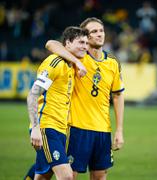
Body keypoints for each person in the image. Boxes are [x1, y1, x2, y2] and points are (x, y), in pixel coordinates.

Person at [46, 17, 125, 180]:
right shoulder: (78, 55)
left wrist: (119, 130)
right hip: (76, 128)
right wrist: (76, 61)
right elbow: (50, 44)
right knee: (69, 175)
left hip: (103, 130)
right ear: (85, 36)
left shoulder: (113, 62)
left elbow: (117, 95)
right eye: (94, 31)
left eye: (101, 30)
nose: (99, 34)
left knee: (100, 176)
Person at [25, 26, 88, 180]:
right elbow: (33, 94)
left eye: (86, 43)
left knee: (43, 176)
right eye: (81, 42)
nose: (85, 47)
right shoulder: (55, 62)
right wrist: (35, 128)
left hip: (61, 129)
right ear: (67, 43)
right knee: (66, 176)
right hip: (47, 126)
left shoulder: (71, 65)